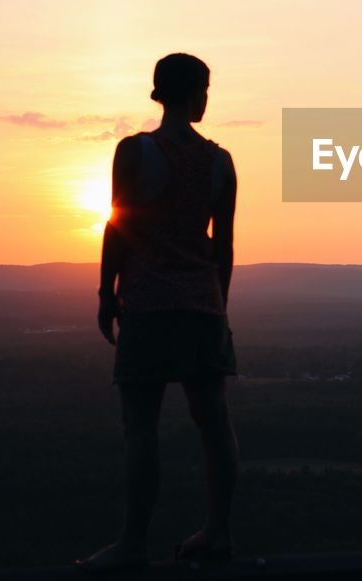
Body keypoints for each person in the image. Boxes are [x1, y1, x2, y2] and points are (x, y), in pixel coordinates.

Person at [77, 53, 240, 573]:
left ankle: (132, 546)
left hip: (147, 305)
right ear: (192, 93)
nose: (207, 98)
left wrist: (107, 293)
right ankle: (217, 535)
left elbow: (116, 225)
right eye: (205, 88)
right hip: (201, 306)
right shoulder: (221, 163)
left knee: (141, 427)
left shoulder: (135, 152)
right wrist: (220, 306)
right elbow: (225, 247)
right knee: (213, 422)